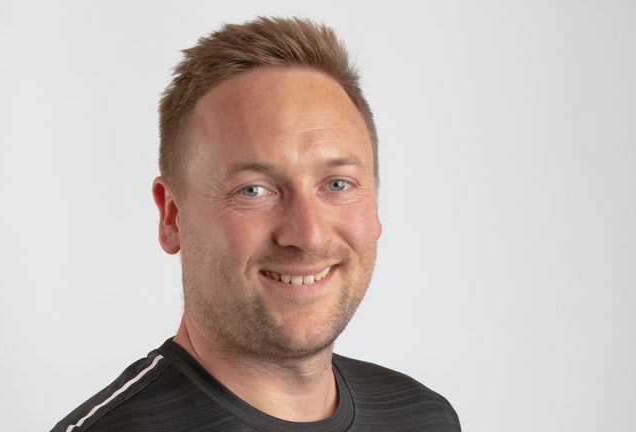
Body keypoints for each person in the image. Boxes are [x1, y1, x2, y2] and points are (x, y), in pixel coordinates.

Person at [52, 17, 460, 432]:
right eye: (254, 190)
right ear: (172, 216)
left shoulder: (422, 417)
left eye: (337, 184)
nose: (308, 234)